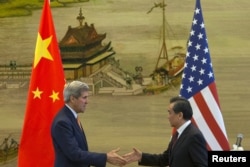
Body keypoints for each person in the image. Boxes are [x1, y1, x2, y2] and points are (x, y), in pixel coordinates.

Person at [51, 80, 126, 167]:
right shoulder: (62, 122)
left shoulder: (71, 116)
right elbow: (75, 154)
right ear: (72, 99)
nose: (87, 102)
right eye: (84, 97)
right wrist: (105, 157)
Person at [123, 96, 208, 167]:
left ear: (180, 115)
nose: (168, 117)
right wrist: (141, 156)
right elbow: (165, 159)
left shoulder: (194, 136)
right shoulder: (178, 134)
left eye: (170, 113)